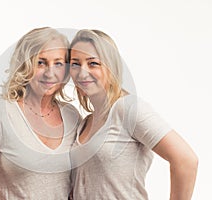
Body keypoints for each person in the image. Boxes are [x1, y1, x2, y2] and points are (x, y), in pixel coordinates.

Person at [69, 29, 198, 200]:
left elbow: (186, 160)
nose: (82, 72)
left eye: (93, 63)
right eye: (75, 64)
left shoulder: (128, 108)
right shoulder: (85, 123)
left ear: (111, 66)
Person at [0, 27, 81, 200]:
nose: (50, 73)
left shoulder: (72, 116)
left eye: (58, 63)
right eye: (40, 62)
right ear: (25, 65)